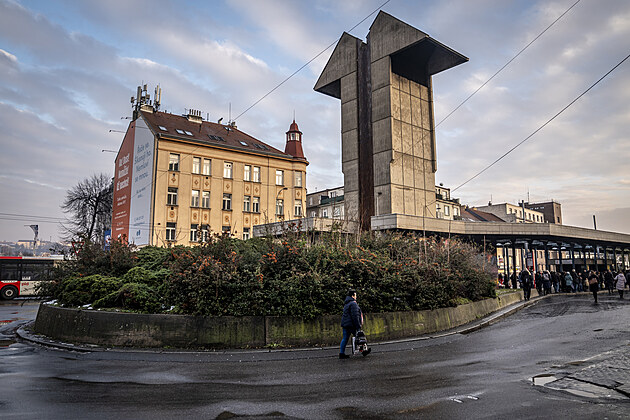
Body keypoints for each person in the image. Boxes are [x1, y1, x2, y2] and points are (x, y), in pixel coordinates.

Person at [339, 289, 367, 359]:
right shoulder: (353, 304)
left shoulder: (347, 303)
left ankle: (341, 353)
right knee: (360, 337)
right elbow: (355, 316)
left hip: (345, 324)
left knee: (345, 338)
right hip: (351, 325)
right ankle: (364, 351)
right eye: (355, 295)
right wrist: (358, 326)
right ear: (352, 296)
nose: (356, 297)